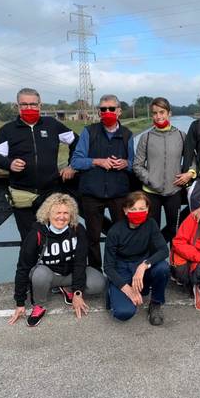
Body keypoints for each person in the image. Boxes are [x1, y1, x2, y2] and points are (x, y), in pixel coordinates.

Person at [0, 87, 77, 241]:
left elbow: (76, 142)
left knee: (56, 238)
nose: (29, 108)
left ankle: (54, 266)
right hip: (22, 194)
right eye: (24, 104)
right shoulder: (8, 129)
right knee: (29, 240)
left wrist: (72, 165)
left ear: (40, 105)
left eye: (33, 104)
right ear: (17, 106)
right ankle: (31, 266)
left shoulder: (52, 124)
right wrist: (9, 163)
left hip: (51, 192)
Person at [8, 193, 106, 327]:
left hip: (70, 274)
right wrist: (20, 302)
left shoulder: (77, 229)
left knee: (98, 282)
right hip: (49, 275)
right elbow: (23, 267)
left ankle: (67, 289)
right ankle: (40, 305)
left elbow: (80, 262)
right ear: (48, 213)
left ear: (71, 215)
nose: (62, 216)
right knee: (40, 274)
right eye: (57, 212)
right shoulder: (36, 233)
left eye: (66, 212)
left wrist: (78, 292)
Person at [71, 94, 134, 271]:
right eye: (103, 109)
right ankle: (95, 273)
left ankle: (119, 271)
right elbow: (76, 161)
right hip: (92, 193)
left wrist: (125, 163)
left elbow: (134, 163)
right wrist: (97, 161)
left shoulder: (127, 134)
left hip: (118, 193)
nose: (107, 112)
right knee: (92, 238)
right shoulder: (88, 131)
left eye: (111, 109)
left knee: (121, 236)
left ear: (119, 111)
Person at [104, 191, 169, 326]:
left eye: (141, 209)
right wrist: (127, 289)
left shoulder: (150, 224)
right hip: (122, 270)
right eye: (133, 209)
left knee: (162, 267)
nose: (137, 212)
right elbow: (108, 267)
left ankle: (156, 304)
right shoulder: (115, 231)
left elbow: (164, 250)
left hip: (141, 267)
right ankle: (113, 289)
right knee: (123, 313)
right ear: (126, 210)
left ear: (147, 210)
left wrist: (144, 265)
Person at [133, 97, 191, 243]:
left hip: (174, 191)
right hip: (151, 193)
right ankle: (153, 264)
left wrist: (190, 174)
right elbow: (137, 165)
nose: (158, 116)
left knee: (175, 232)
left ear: (169, 113)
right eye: (155, 113)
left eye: (162, 112)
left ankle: (174, 264)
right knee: (152, 232)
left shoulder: (181, 136)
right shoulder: (145, 137)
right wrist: (150, 179)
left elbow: (193, 162)